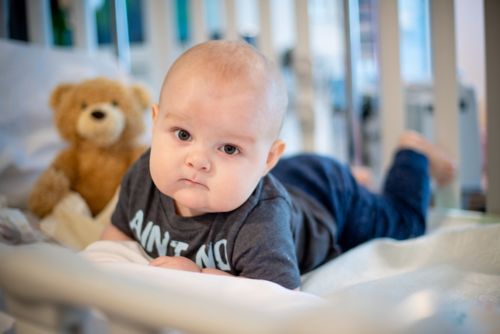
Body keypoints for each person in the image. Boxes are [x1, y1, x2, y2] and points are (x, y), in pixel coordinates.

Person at [101, 40, 455, 290]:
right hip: (283, 181)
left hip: (329, 197)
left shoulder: (261, 221)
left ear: (268, 158)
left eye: (228, 147)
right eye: (182, 134)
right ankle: (357, 176)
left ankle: (413, 153)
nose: (197, 160)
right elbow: (114, 239)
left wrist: (197, 276)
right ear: (155, 122)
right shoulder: (142, 176)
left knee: (405, 223)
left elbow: (276, 294)